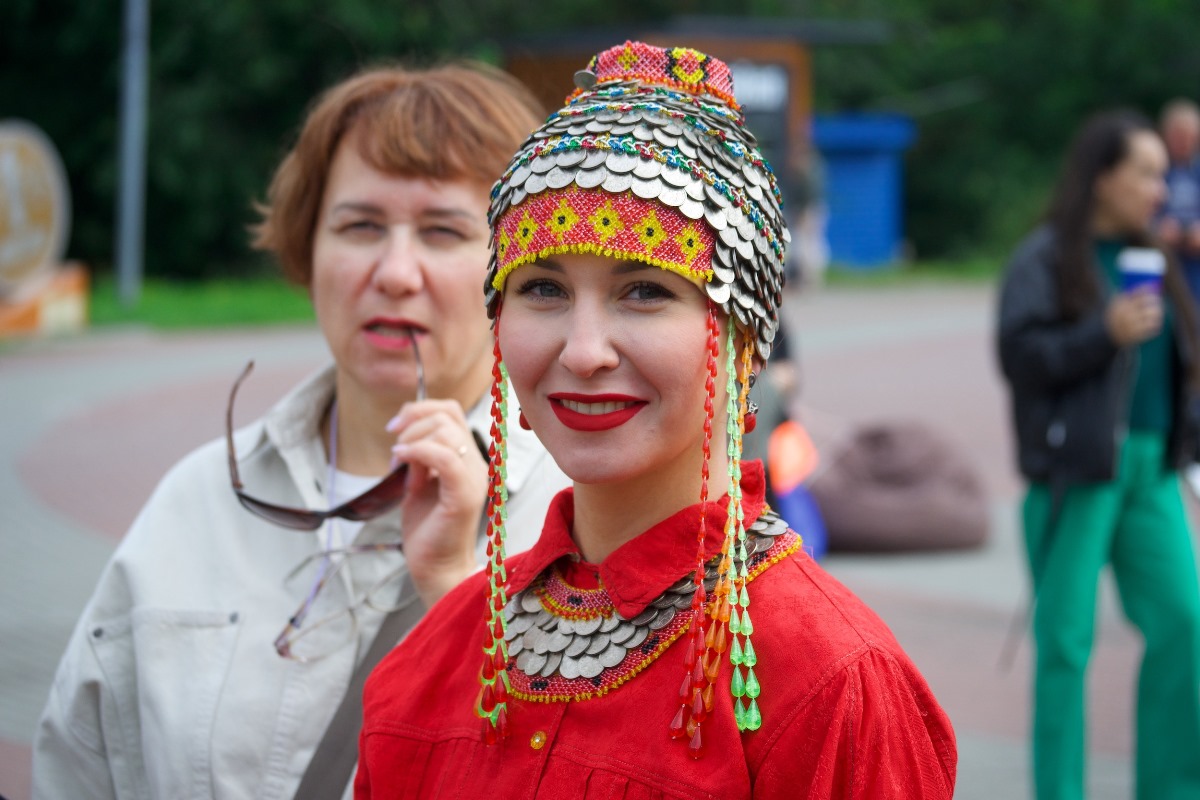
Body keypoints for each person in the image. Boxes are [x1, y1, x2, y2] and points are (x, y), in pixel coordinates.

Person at [357, 41, 957, 798]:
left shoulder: (828, 680)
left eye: (644, 291)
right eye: (542, 289)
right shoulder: (433, 660)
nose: (582, 351)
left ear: (746, 342)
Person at [32, 63, 569, 799]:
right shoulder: (196, 501)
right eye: (360, 225)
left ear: (520, 267)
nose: (395, 271)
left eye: (444, 231)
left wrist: (456, 603)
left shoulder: (581, 518)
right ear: (307, 247)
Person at [997, 109, 1200, 799]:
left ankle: (1171, 788)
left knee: (1183, 621)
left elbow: (1176, 363)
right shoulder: (1047, 256)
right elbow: (1019, 357)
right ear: (1102, 176)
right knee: (1065, 644)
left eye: (1162, 173)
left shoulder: (1157, 254)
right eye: (1145, 172)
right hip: (1076, 473)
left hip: (1152, 471)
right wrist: (1101, 333)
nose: (1159, 187)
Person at [1156, 98, 1200, 302]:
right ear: (1166, 135)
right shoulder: (1154, 169)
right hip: (1162, 263)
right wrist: (1156, 228)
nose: (1184, 142)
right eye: (1178, 135)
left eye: (1189, 136)